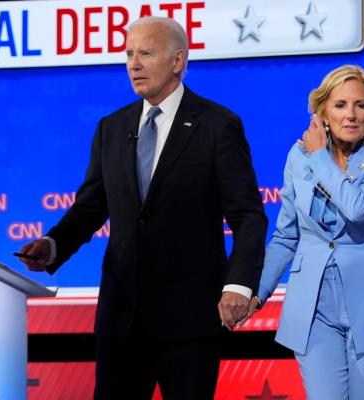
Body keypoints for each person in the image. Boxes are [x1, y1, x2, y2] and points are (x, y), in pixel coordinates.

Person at [17, 16, 267, 399]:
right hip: (121, 320)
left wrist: (237, 285)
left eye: (146, 53)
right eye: (129, 53)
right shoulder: (111, 128)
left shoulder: (217, 125)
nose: (134, 64)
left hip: (190, 319)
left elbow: (248, 216)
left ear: (178, 60)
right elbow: (90, 208)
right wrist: (53, 244)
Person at [240, 65, 364, 399]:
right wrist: (256, 291)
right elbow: (286, 235)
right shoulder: (298, 155)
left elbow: (358, 206)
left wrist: (321, 158)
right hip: (313, 307)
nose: (350, 115)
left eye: (360, 105)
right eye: (340, 105)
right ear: (322, 112)